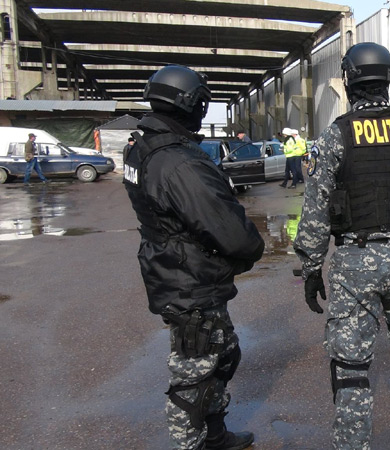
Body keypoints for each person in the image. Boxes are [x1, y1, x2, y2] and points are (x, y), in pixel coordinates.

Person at [293, 42, 390, 450]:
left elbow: (315, 211)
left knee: (351, 369)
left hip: (355, 264)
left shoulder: (336, 135)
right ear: (389, 79)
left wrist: (311, 268)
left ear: (349, 82)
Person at [122, 65, 265, 450]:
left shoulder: (143, 146)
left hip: (176, 269)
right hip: (189, 280)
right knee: (194, 374)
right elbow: (232, 234)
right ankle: (192, 443)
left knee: (223, 355)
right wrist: (249, 251)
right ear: (194, 105)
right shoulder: (178, 161)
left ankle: (215, 435)